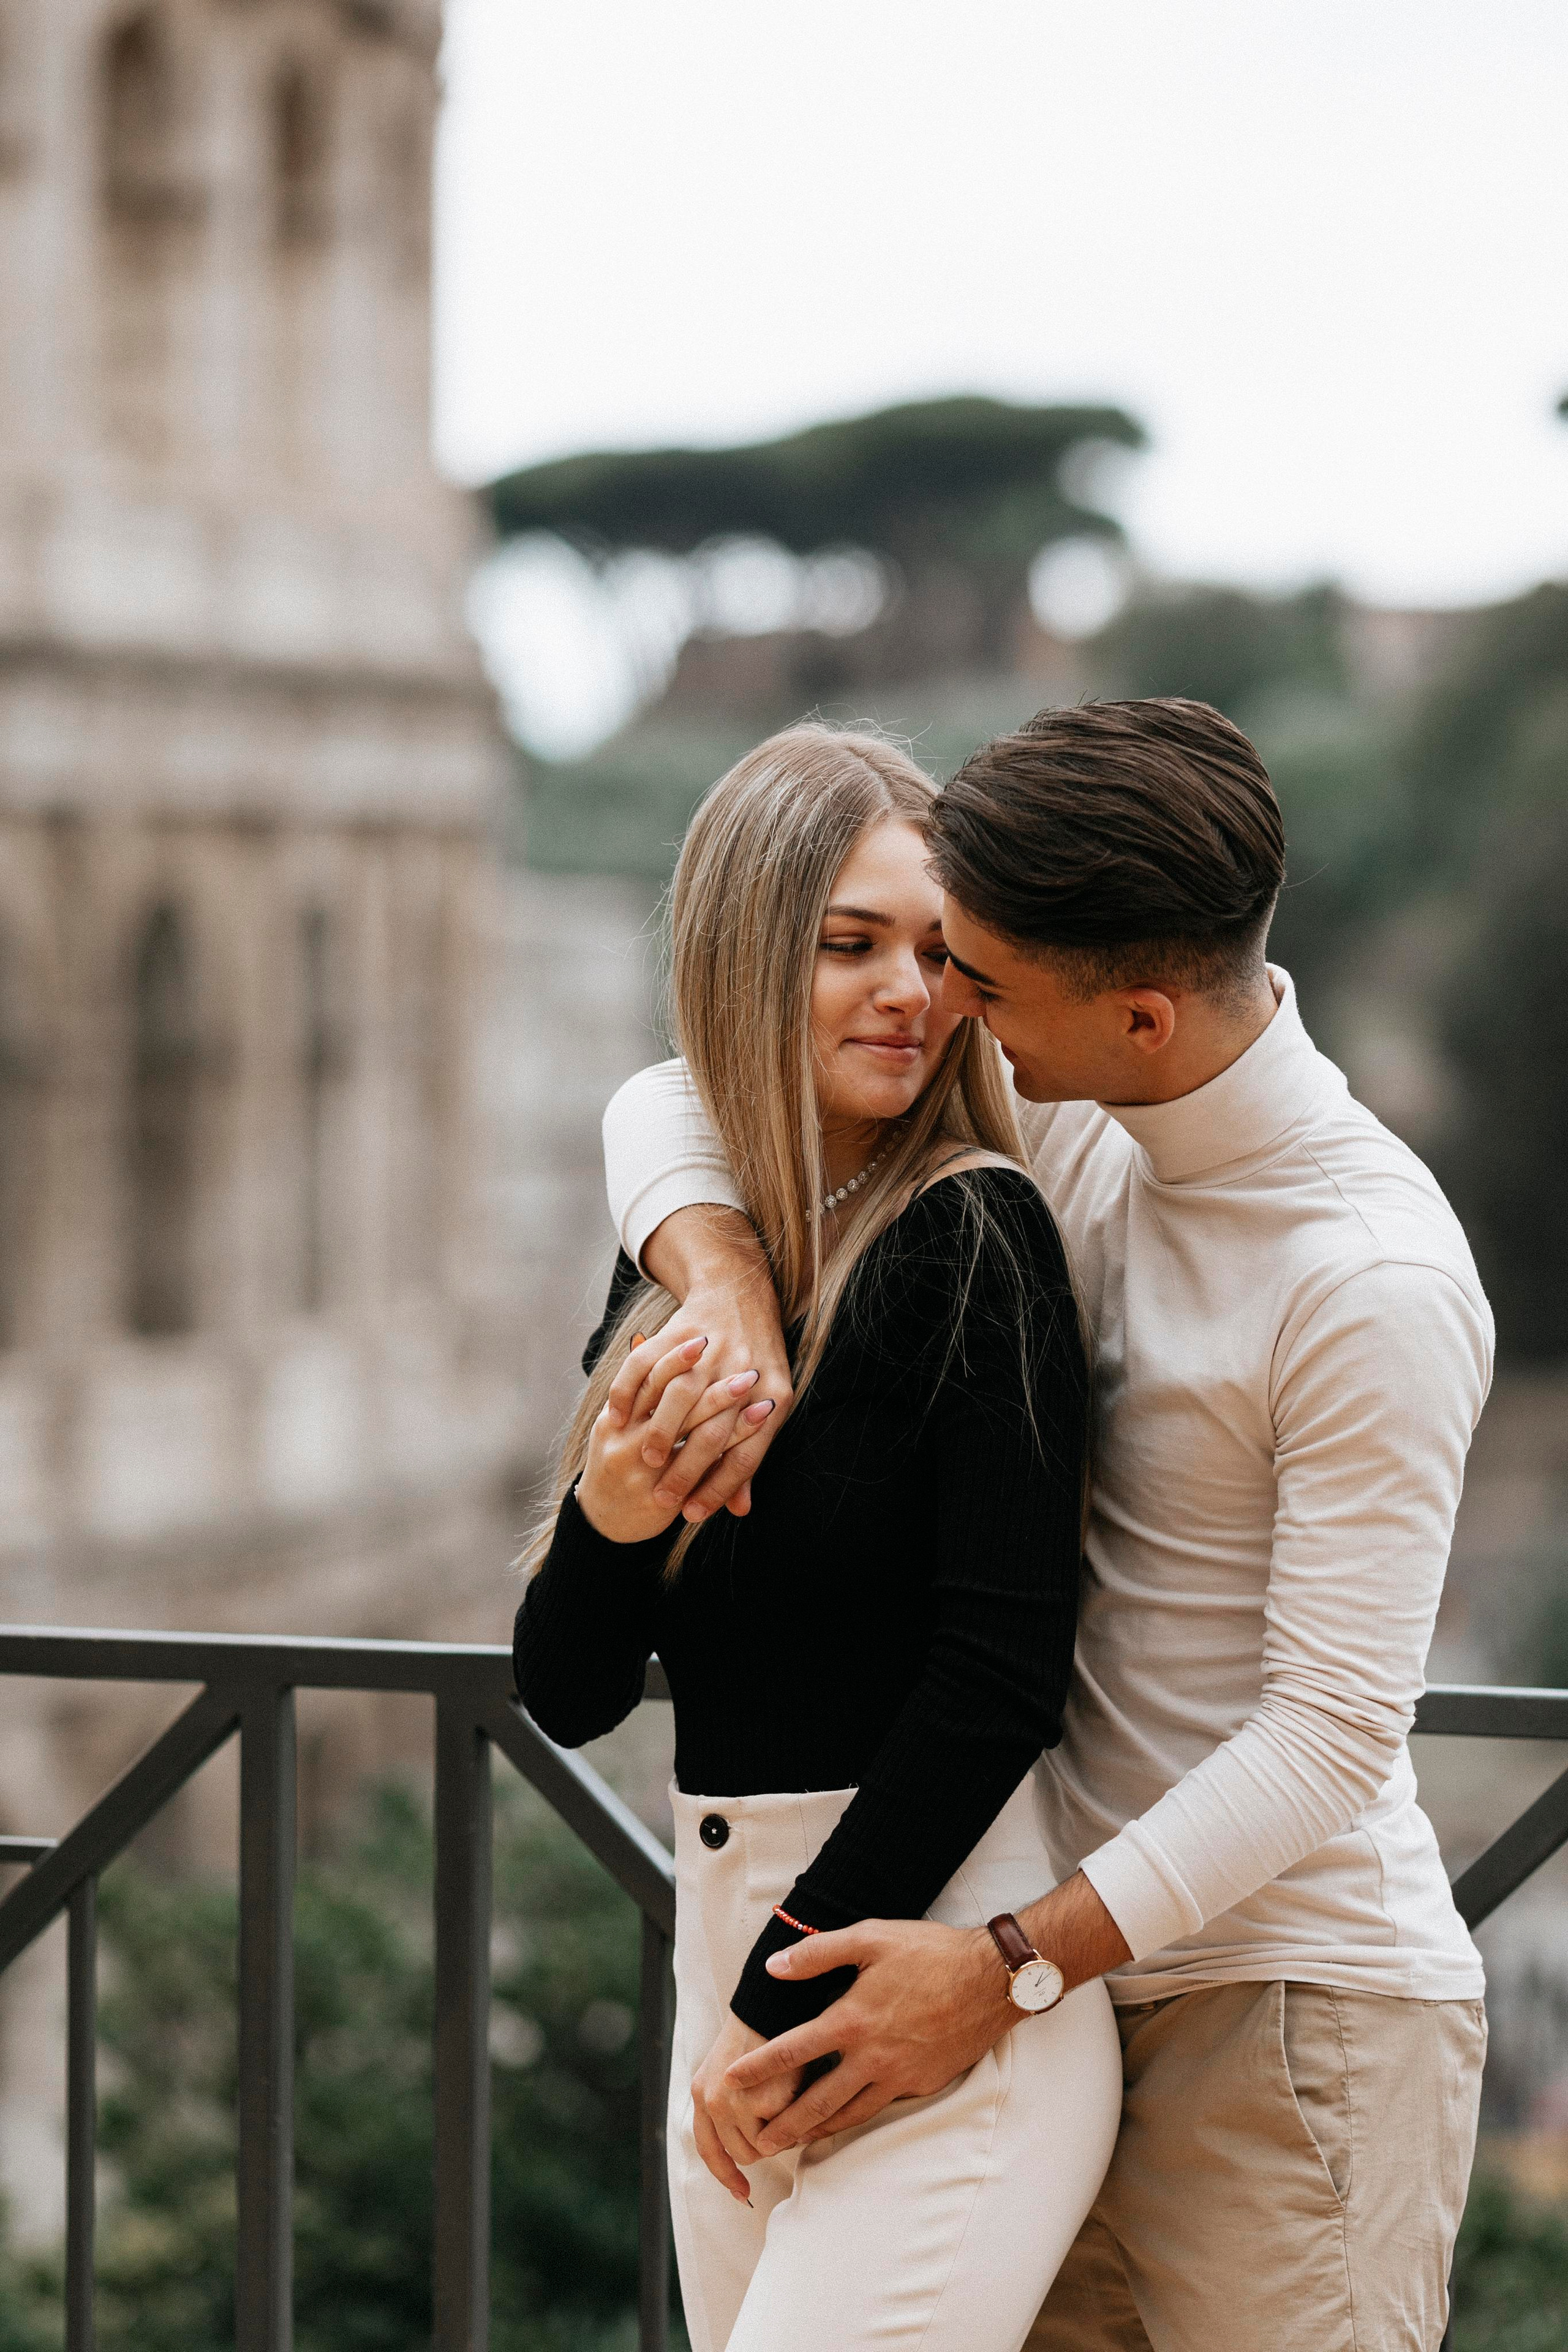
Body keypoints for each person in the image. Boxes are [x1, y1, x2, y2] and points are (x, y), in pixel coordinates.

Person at [598, 698, 1492, 2352]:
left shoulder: (1370, 1278)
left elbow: (1332, 1733)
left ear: (1138, 1016)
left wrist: (1008, 1965)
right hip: (1042, 1986)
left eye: (983, 982)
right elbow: (672, 1093)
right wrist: (718, 1279)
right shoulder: (1078, 1121)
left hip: (1283, 2015)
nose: (946, 1011)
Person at [513, 725, 1122, 2352]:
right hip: (732, 1967)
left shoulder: (977, 1232)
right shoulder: (687, 1264)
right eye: (851, 945)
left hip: (922, 1974)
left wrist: (770, 2001)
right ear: (748, 953)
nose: (906, 992)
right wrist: (611, 1522)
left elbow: (999, 1674)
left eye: (936, 951)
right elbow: (567, 1691)